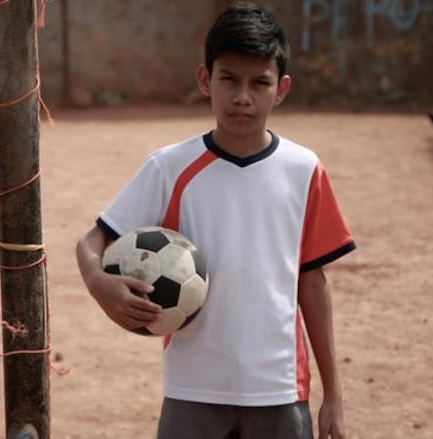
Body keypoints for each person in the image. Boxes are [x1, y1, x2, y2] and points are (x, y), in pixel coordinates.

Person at [75, 2, 355, 438]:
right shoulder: (169, 167)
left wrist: (333, 394)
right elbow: (92, 242)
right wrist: (98, 283)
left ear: (280, 89)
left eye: (259, 82)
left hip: (279, 389)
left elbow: (312, 283)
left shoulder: (304, 170)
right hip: (192, 389)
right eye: (229, 79)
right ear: (206, 80)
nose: (243, 96)